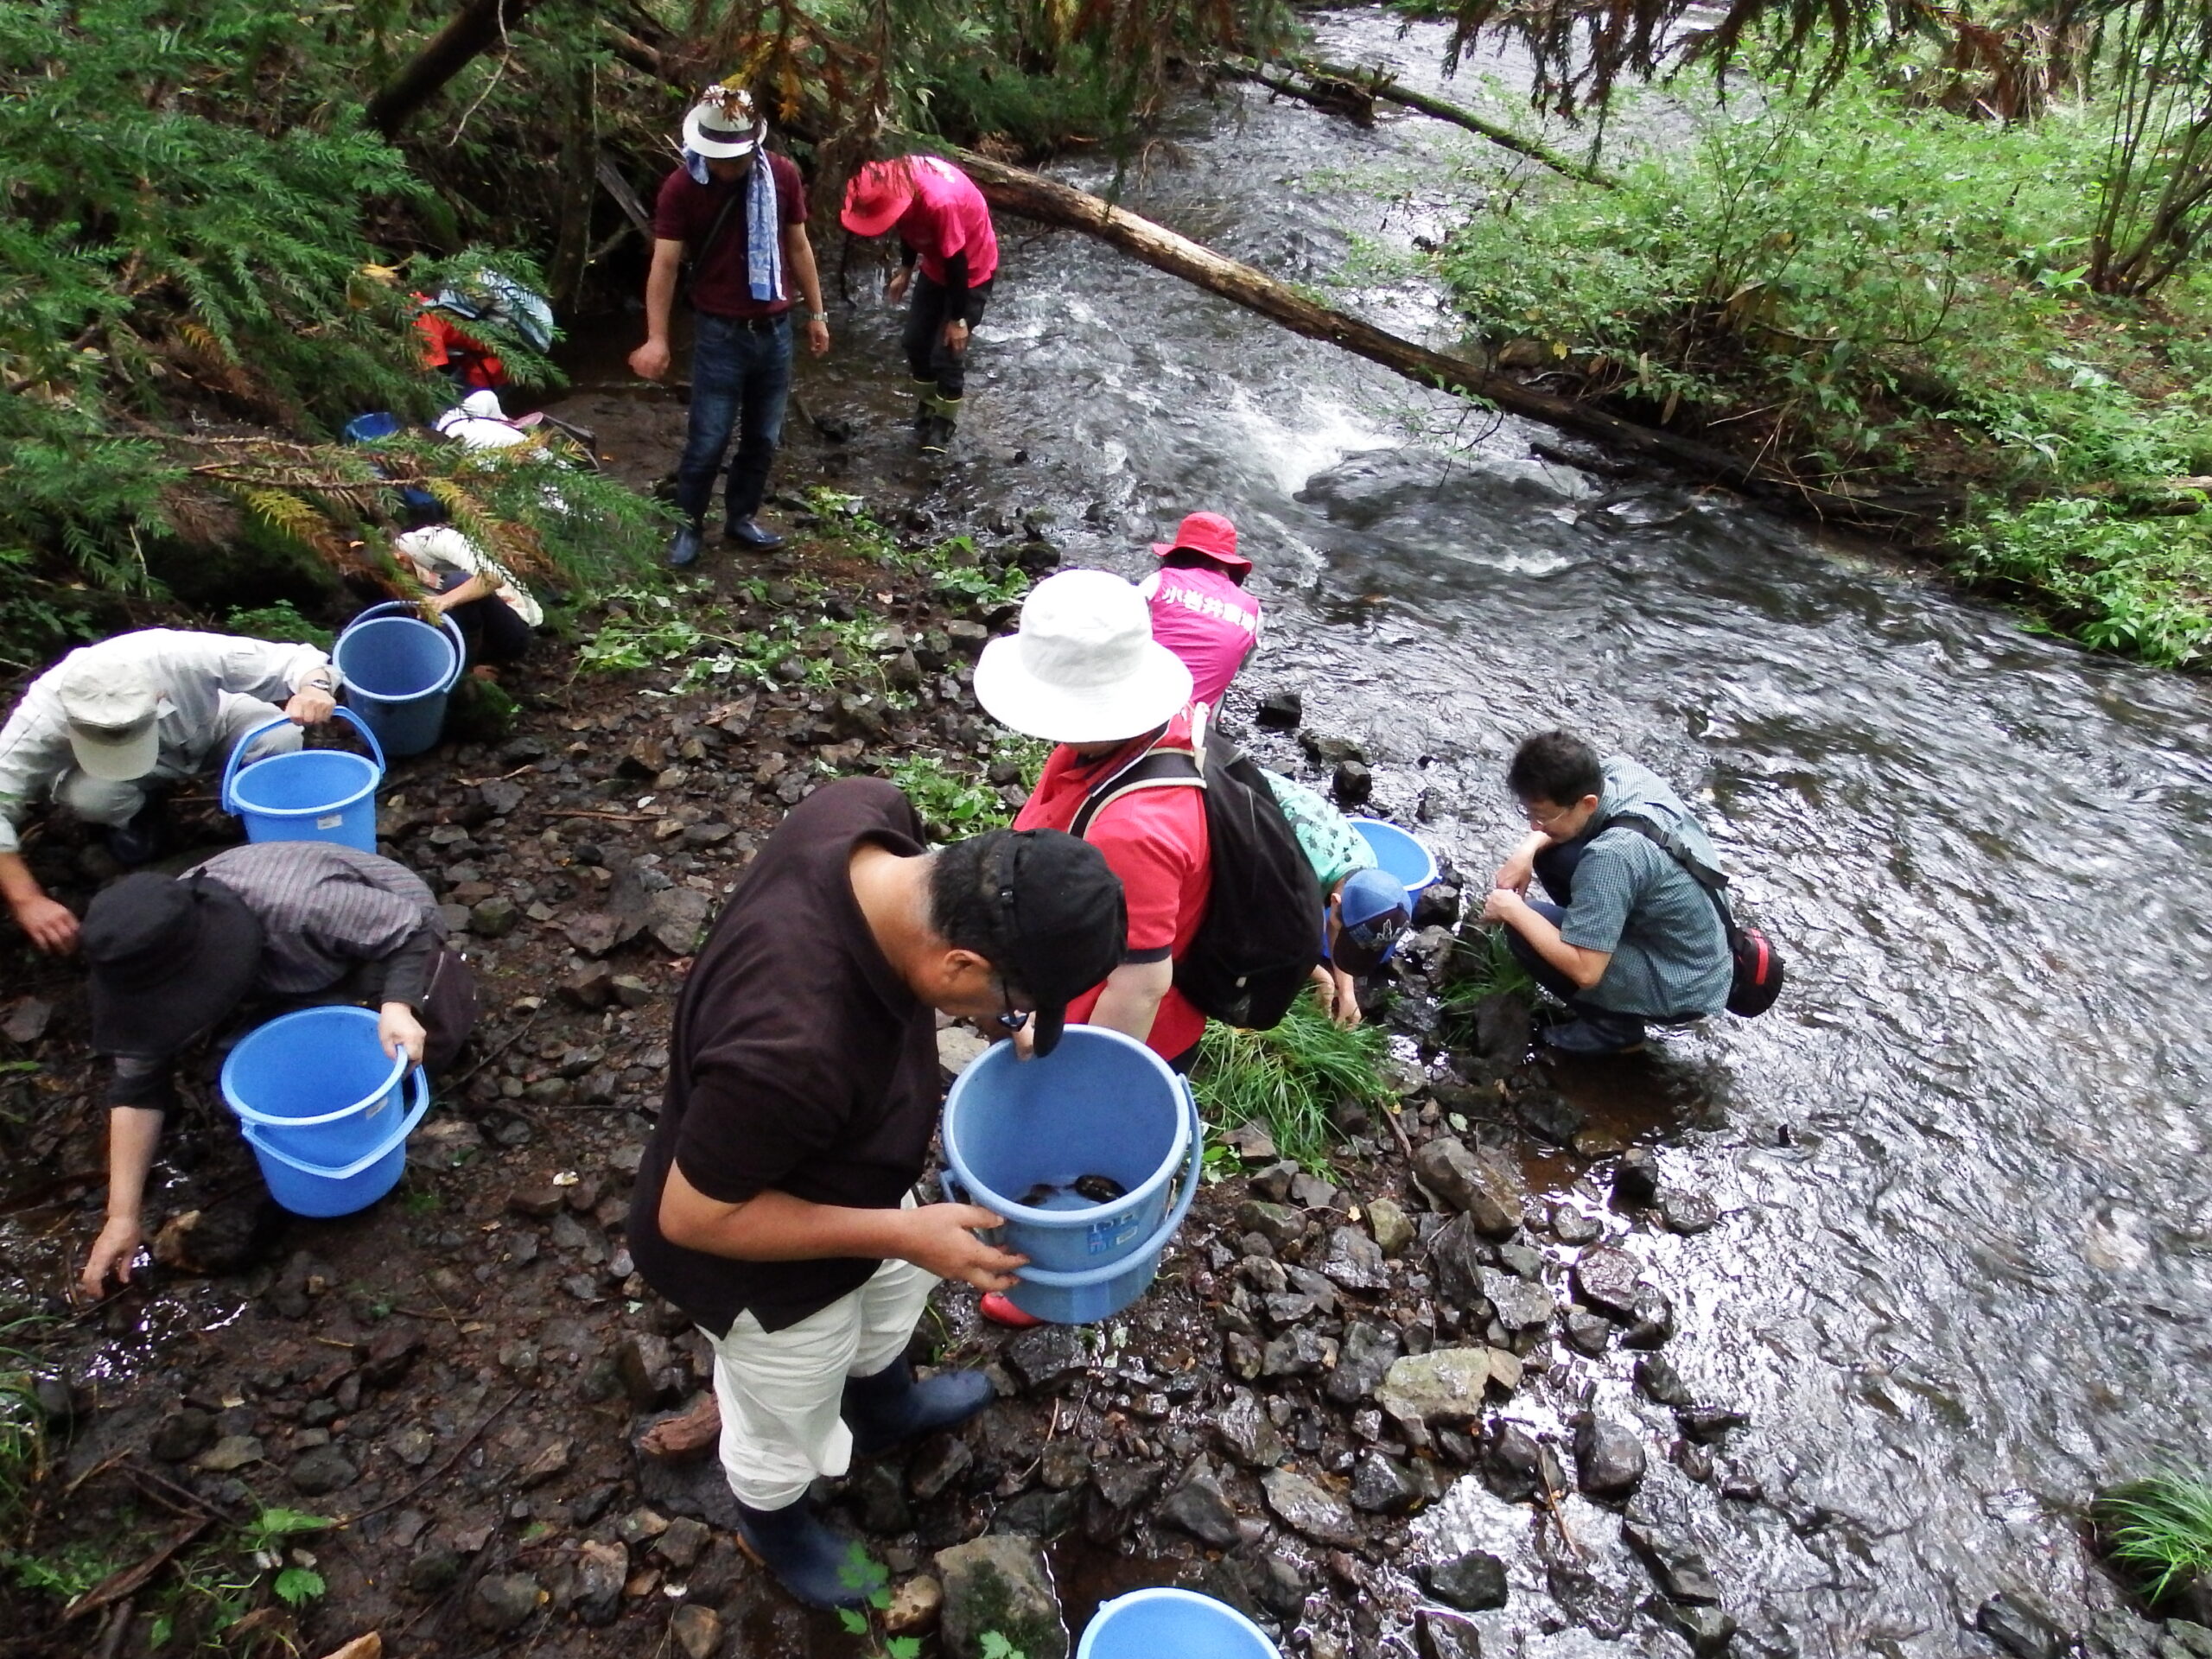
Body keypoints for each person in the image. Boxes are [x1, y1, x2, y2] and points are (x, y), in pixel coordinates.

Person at [626, 778, 1125, 1609]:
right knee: (789, 1408)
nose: (1022, 1017)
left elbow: (931, 956)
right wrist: (905, 1234)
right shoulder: (789, 1047)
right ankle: (772, 1522)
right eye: (1018, 999)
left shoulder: (864, 816)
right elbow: (694, 1216)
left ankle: (885, 1407)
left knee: (893, 1292)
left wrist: (999, 1017)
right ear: (960, 962)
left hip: (853, 1172)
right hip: (757, 1268)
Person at [76, 841, 475, 1296]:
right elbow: (137, 1086)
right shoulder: (139, 960)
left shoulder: (298, 906)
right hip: (286, 973)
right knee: (228, 1073)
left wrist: (397, 1005)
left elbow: (408, 928)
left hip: (381, 940)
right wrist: (121, 1216)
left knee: (419, 1037)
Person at [973, 570, 1207, 1329]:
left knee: (1103, 1143)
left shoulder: (1133, 826)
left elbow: (1139, 986)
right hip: (1081, 992)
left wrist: (1079, 1080)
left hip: (1126, 1027)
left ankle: (1078, 1269)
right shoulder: (1115, 743)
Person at [0, 630, 340, 951]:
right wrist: (26, 900)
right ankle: (143, 818)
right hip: (118, 777)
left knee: (278, 738)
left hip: (212, 727)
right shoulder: (42, 716)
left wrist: (314, 689)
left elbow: (299, 660)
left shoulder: (178, 657)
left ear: (158, 695)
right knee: (92, 799)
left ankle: (260, 816)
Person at [627, 85, 830, 567]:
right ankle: (689, 525)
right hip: (719, 334)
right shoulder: (682, 187)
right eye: (720, 158)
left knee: (762, 436)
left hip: (775, 330)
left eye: (736, 158)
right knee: (708, 438)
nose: (729, 168)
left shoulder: (781, 176)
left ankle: (741, 518)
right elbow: (665, 265)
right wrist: (657, 338)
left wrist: (818, 315)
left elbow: (798, 246)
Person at [1483, 729, 1732, 1056]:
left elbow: (1586, 972)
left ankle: (1613, 1028)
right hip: (1699, 943)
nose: (1533, 826)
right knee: (1553, 851)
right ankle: (1596, 941)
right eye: (1529, 814)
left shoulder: (1612, 856)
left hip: (1684, 982)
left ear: (1587, 803)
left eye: (1542, 816)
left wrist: (1511, 909)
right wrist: (1525, 853)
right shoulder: (1620, 772)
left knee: (1524, 929)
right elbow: (1563, 833)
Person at [838, 156, 999, 454]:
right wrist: (906, 268)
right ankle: (926, 407)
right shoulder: (894, 182)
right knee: (914, 342)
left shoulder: (940, 203)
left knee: (947, 352)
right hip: (935, 265)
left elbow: (957, 262)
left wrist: (958, 319)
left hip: (970, 271)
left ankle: (944, 423)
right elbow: (908, 226)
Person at [1260, 767, 1412, 1027]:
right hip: (1228, 796)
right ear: (1334, 903)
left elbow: (1340, 922)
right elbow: (1264, 935)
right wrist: (1319, 975)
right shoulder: (1302, 877)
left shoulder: (1366, 866)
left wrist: (1346, 992)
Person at [1135, 511, 1262, 712]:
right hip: (1195, 728)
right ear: (1228, 562)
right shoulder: (1252, 609)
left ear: (1179, 553)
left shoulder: (1160, 581)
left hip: (1139, 711)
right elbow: (1243, 666)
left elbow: (1118, 633)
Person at [392, 525, 543, 673]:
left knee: (457, 582)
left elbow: (493, 577)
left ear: (399, 556)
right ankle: (458, 671)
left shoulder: (429, 539)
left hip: (508, 626)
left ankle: (465, 668)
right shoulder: (389, 583)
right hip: (462, 639)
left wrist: (446, 600)